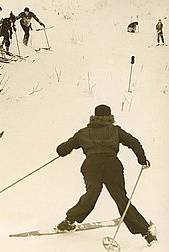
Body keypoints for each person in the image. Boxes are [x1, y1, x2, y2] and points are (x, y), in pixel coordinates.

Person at [55, 104, 157, 245]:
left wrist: (62, 150)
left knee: (92, 194)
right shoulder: (115, 130)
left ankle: (68, 221)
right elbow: (134, 142)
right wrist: (142, 159)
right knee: (121, 198)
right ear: (110, 117)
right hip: (112, 165)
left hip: (91, 165)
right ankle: (146, 233)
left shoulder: (83, 132)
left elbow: (63, 149)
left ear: (93, 117)